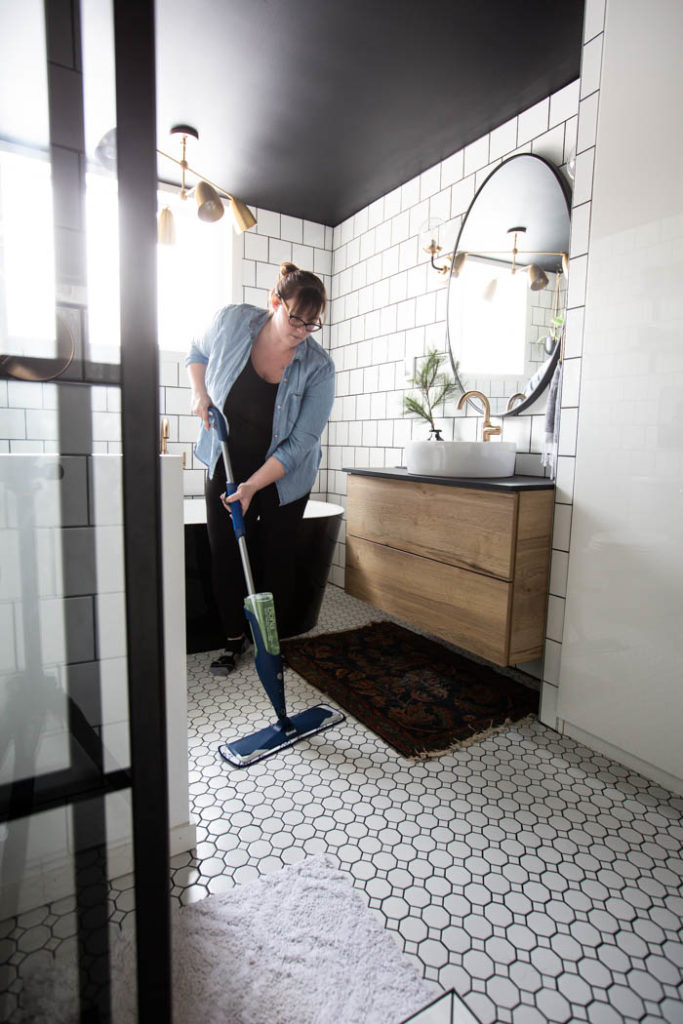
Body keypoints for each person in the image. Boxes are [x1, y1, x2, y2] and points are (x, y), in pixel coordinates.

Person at [186, 262, 334, 675]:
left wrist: (253, 486)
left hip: (282, 476)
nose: (301, 331)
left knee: (275, 559)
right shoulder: (233, 322)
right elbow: (196, 351)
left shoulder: (319, 367)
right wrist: (200, 395)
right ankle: (232, 642)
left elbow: (302, 442)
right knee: (227, 554)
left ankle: (268, 643)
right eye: (295, 318)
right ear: (275, 302)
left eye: (312, 324)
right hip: (226, 459)